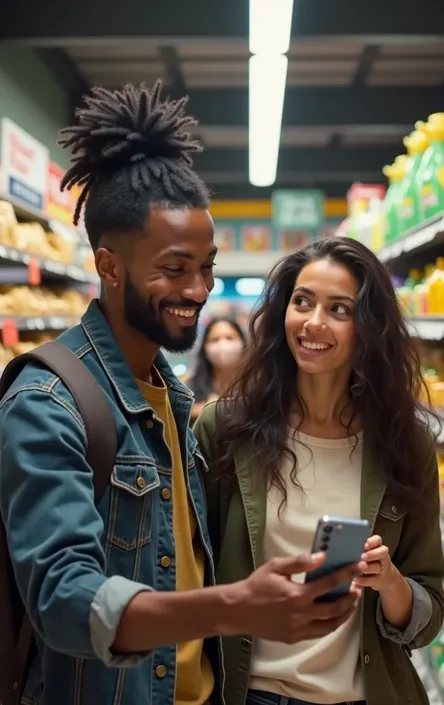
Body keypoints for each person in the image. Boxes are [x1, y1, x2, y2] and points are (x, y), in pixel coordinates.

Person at [0, 84, 364, 705]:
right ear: (109, 266)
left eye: (208, 266)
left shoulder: (175, 398)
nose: (197, 289)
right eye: (174, 268)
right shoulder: (48, 401)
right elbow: (64, 599)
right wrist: (234, 608)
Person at [194, 236, 444, 705]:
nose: (313, 322)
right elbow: (192, 576)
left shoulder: (404, 445)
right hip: (250, 693)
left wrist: (390, 582)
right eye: (302, 302)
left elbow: (428, 614)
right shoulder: (226, 428)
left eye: (339, 310)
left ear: (367, 327)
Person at [186, 316, 246, 421]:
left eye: (229, 338)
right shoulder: (189, 389)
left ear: (243, 343)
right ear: (205, 348)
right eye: (215, 339)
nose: (223, 345)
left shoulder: (258, 384)